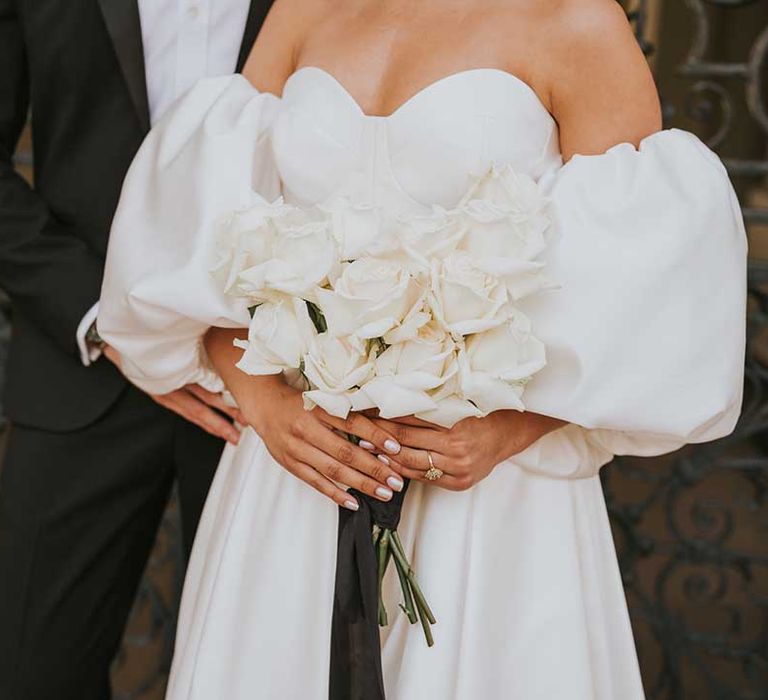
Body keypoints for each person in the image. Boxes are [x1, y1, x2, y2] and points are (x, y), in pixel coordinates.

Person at [98, 0, 748, 697]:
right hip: (298, 466)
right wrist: (260, 397)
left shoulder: (576, 22)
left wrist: (509, 430)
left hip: (482, 484)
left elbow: (641, 292)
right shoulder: (303, 10)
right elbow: (218, 229)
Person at [0, 2, 274, 698]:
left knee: (257, 672)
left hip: (267, 380)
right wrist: (103, 319)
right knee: (33, 672)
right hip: (83, 365)